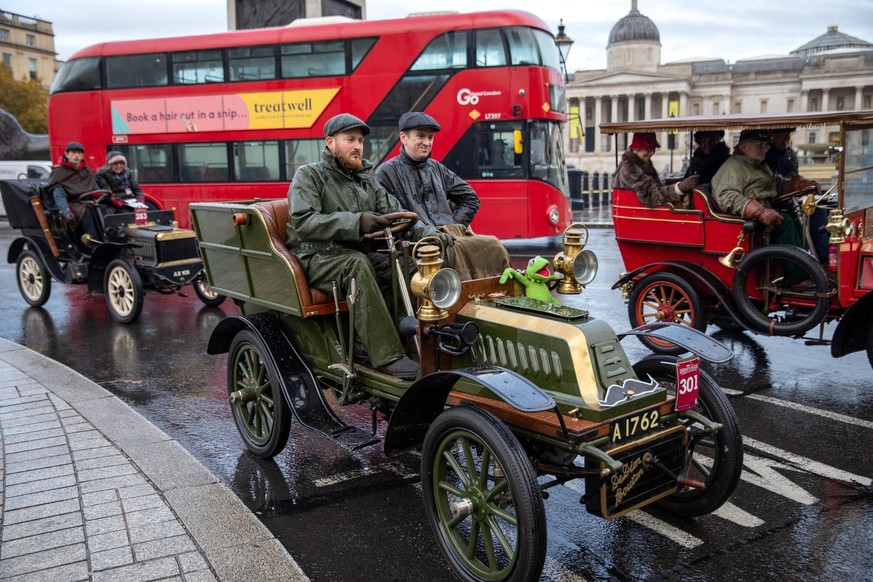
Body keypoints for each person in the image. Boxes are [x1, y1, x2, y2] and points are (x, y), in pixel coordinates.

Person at [286, 113, 448, 380]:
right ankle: (386, 355)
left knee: (407, 264)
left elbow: (396, 212)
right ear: (330, 143)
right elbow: (303, 222)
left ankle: (412, 342)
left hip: (354, 253)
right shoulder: (309, 175)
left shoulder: (365, 178)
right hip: (316, 256)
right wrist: (357, 221)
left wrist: (430, 234)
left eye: (360, 141)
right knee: (358, 265)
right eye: (350, 140)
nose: (357, 146)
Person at [375, 111, 511, 280]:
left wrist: (454, 225)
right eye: (421, 136)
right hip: (418, 242)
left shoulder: (436, 168)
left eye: (430, 137)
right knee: (451, 253)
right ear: (404, 138)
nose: (427, 142)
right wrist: (429, 233)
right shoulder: (385, 173)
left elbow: (470, 198)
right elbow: (388, 216)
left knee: (494, 245)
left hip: (450, 237)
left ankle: (495, 293)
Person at [712, 129, 819, 250]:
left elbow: (777, 184)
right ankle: (795, 261)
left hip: (762, 213)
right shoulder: (733, 167)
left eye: (766, 145)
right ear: (743, 147)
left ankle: (804, 256)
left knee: (797, 215)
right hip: (745, 221)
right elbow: (727, 196)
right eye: (760, 145)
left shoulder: (758, 164)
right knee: (785, 222)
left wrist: (800, 184)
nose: (765, 149)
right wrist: (760, 212)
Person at [613, 132, 698, 207]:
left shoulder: (642, 164)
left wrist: (673, 182)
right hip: (637, 214)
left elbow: (653, 186)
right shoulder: (629, 168)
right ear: (636, 149)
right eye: (648, 149)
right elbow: (651, 196)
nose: (652, 153)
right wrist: (680, 188)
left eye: (653, 149)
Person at [47, 141, 100, 238]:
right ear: (67, 154)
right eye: (73, 152)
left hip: (88, 202)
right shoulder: (59, 172)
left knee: (106, 208)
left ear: (82, 156)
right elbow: (59, 195)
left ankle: (111, 237)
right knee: (86, 211)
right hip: (72, 203)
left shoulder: (87, 171)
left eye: (79, 153)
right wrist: (67, 212)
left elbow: (96, 189)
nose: (76, 156)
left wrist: (108, 197)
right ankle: (92, 241)